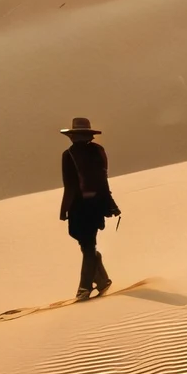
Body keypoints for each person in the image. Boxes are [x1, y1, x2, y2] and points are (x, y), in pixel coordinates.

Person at [58, 117, 120, 300]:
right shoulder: (95, 151)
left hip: (82, 208)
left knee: (88, 245)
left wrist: (64, 210)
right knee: (88, 247)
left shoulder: (69, 154)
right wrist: (111, 204)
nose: (73, 139)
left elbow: (70, 185)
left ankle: (84, 287)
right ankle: (102, 280)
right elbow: (102, 181)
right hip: (89, 206)